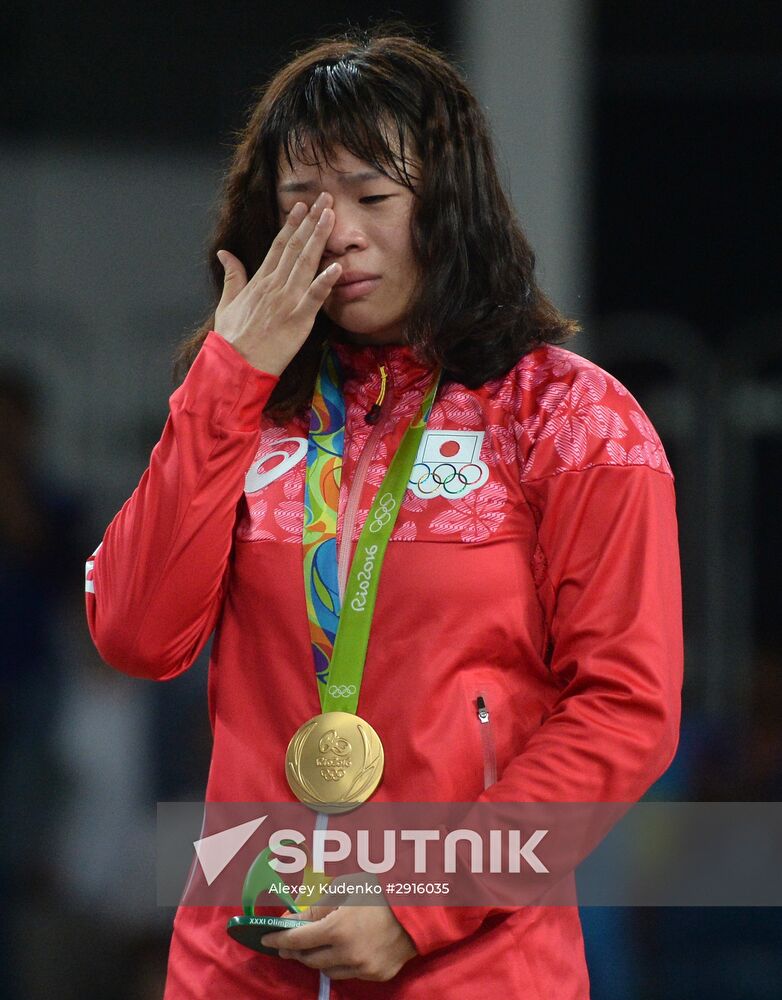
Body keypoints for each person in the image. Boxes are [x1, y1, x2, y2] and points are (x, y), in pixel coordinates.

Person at [85, 26, 683, 999]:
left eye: (372, 198)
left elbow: (624, 710)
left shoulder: (569, 418)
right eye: (302, 201)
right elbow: (132, 635)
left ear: (446, 205)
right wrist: (225, 381)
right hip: (238, 963)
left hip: (474, 963)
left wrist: (420, 900)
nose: (338, 232)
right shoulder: (241, 408)